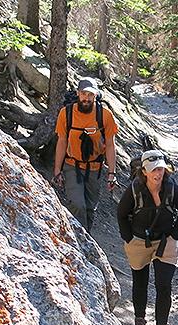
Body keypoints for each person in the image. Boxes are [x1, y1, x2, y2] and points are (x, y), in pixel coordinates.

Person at [117, 149, 178, 325]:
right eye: (154, 169)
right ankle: (139, 322)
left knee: (163, 285)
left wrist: (175, 235)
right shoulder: (135, 189)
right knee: (140, 281)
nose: (158, 173)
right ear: (145, 171)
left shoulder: (172, 188)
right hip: (139, 240)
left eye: (161, 168)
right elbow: (121, 214)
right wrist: (128, 238)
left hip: (166, 241)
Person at [52, 77, 118, 232]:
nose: (86, 98)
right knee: (77, 204)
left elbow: (110, 145)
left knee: (90, 207)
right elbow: (61, 142)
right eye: (83, 94)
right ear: (77, 94)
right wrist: (57, 170)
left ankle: (86, 240)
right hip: (71, 166)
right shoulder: (66, 113)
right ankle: (79, 242)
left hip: (95, 168)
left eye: (90, 95)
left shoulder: (105, 115)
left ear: (96, 95)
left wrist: (111, 173)